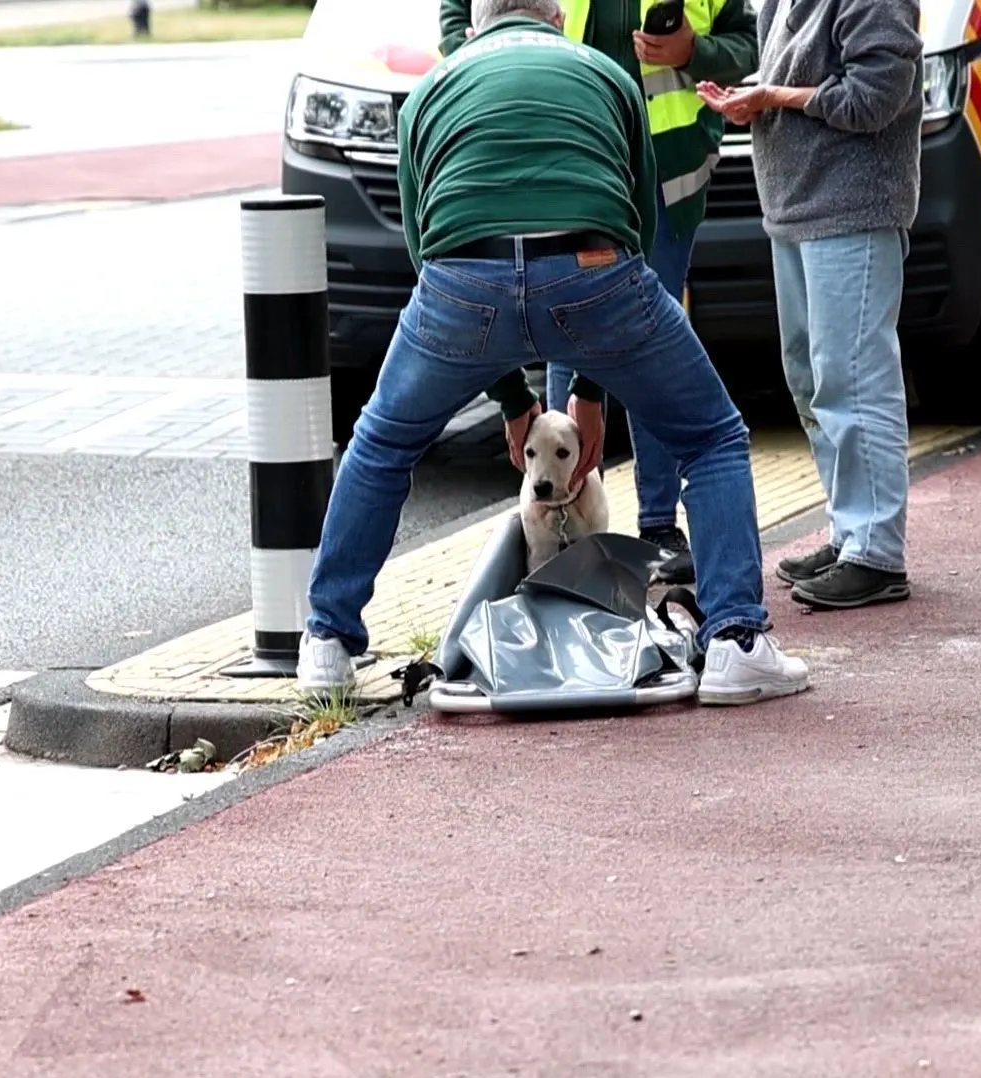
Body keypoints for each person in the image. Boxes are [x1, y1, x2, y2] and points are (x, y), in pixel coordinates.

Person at [297, 0, 808, 707]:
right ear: (556, 17)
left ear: (476, 22)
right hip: (594, 268)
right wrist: (591, 390)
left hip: (460, 282)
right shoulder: (605, 73)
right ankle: (735, 645)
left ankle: (326, 641)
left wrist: (512, 400)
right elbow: (636, 223)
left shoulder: (433, 91)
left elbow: (425, 244)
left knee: (383, 442)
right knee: (710, 435)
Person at [438, 0, 759, 587]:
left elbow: (746, 41)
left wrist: (696, 53)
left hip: (661, 179)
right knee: (572, 342)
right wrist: (481, 65)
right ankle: (566, 525)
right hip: (564, 171)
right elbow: (459, 11)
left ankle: (658, 526)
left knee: (654, 360)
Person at [697, 0, 922, 610]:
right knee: (811, 376)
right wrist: (758, 94)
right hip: (797, 212)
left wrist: (775, 97)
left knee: (852, 376)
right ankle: (851, 531)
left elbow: (876, 96)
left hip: (852, 211)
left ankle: (876, 551)